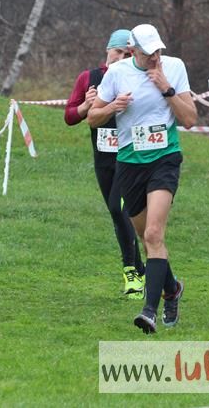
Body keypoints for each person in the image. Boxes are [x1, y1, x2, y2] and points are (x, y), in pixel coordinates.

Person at [87, 24, 197, 334]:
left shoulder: (173, 67)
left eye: (158, 50)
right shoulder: (117, 73)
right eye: (149, 53)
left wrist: (166, 88)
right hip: (129, 163)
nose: (155, 57)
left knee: (153, 233)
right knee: (148, 240)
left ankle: (149, 311)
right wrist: (113, 107)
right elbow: (92, 118)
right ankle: (172, 288)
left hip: (164, 159)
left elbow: (190, 119)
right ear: (133, 50)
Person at [64, 29, 145, 299]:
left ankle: (131, 272)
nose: (121, 58)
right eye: (118, 52)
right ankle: (143, 271)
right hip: (103, 158)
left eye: (127, 54)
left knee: (117, 208)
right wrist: (86, 107)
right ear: (108, 50)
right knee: (118, 214)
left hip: (130, 157)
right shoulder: (89, 78)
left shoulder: (134, 77)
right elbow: (70, 116)